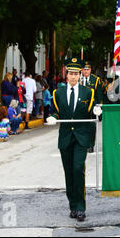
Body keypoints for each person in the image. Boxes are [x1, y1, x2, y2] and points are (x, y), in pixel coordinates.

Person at [46, 57, 100, 222]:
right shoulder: (58, 93)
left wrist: (98, 111)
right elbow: (56, 111)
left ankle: (81, 207)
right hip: (66, 138)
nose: (73, 76)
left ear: (80, 75)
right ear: (66, 75)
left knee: (78, 169)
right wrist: (53, 117)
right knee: (69, 172)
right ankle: (72, 205)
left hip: (81, 137)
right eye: (71, 73)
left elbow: (93, 111)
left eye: (76, 73)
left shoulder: (88, 93)